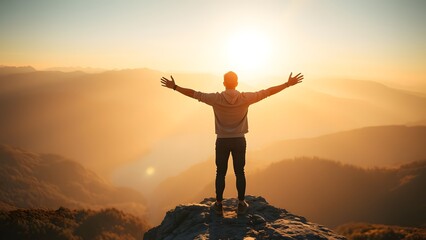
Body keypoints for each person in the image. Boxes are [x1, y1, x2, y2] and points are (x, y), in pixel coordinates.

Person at [160, 71, 303, 215]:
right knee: (240, 172)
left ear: (224, 83)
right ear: (237, 83)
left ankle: (218, 204)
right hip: (239, 140)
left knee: (220, 173)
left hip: (222, 140)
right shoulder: (245, 98)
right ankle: (241, 204)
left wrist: (175, 87)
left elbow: (194, 94)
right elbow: (267, 92)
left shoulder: (216, 98)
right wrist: (287, 84)